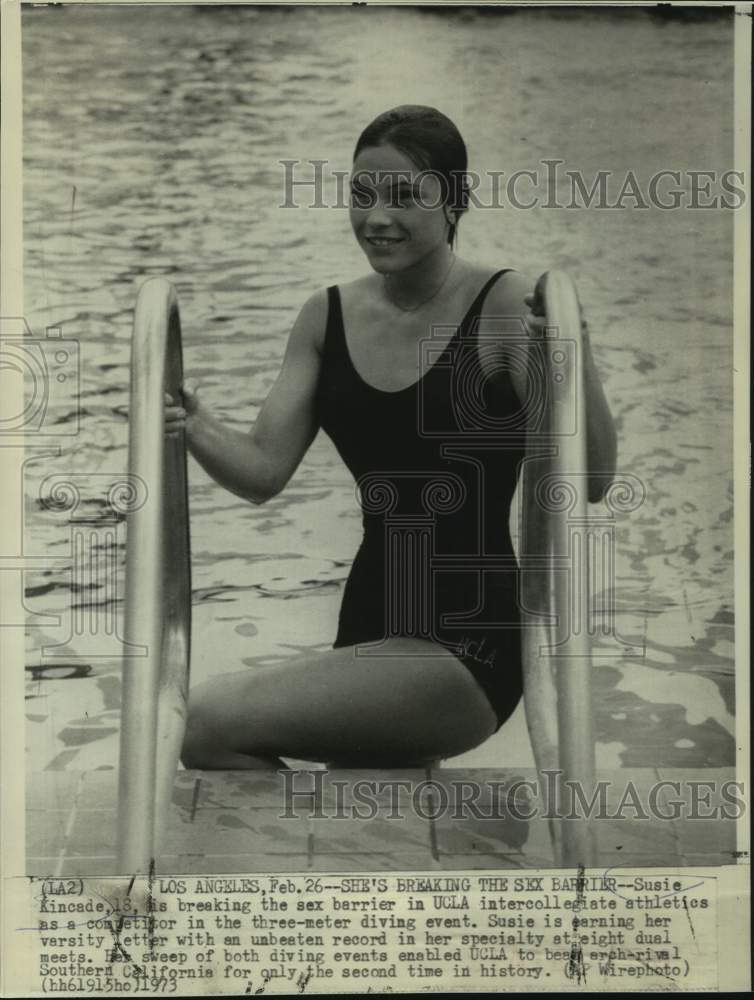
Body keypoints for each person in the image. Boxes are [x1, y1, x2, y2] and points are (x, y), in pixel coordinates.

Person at [165, 105, 617, 770]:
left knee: (200, 724)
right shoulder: (328, 315)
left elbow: (594, 478)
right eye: (361, 195)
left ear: (455, 201)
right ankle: (319, 863)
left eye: (405, 196)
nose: (376, 218)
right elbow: (262, 471)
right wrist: (192, 422)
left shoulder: (505, 305)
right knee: (367, 817)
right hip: (370, 626)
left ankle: (298, 859)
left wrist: (571, 353)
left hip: (469, 643)